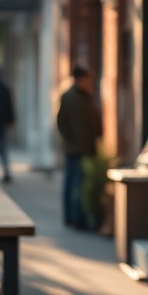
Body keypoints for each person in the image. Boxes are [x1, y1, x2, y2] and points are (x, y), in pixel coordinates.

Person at [55, 65, 102, 229]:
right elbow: (61, 122)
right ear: (79, 79)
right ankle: (75, 218)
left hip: (85, 146)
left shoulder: (85, 96)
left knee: (76, 183)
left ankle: (76, 217)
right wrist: (71, 139)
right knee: (75, 183)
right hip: (76, 147)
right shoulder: (69, 97)